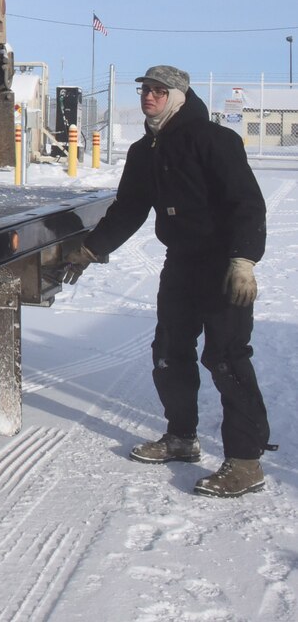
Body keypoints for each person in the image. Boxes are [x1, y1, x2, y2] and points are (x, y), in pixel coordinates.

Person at [65, 64, 272, 497]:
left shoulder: (214, 140)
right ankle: (181, 439)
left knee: (227, 359)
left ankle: (246, 461)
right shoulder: (145, 152)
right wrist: (90, 248)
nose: (149, 97)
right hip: (180, 264)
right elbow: (128, 209)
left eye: (159, 91)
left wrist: (243, 260)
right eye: (145, 90)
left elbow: (247, 204)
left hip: (222, 267)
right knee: (169, 353)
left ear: (179, 96)